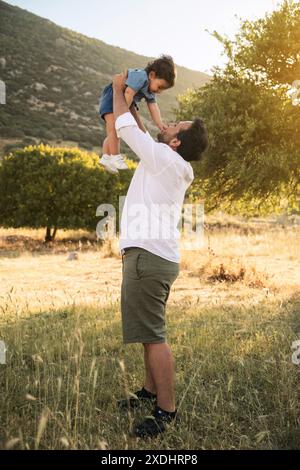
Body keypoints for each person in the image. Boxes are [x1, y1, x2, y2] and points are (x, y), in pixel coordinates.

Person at [112, 72, 208, 438]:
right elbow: (140, 128)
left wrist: (122, 88)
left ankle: (165, 410)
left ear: (176, 141)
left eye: (174, 125)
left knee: (154, 336)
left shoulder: (166, 160)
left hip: (149, 260)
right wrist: (136, 105)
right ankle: (148, 392)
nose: (166, 124)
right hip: (155, 258)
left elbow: (124, 127)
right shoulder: (169, 161)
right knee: (148, 331)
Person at [98, 55, 176, 174]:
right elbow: (128, 93)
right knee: (114, 128)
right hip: (112, 97)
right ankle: (115, 156)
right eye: (160, 87)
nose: (159, 91)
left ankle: (106, 157)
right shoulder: (141, 77)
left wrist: (159, 123)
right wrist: (123, 114)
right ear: (152, 75)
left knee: (113, 132)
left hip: (120, 101)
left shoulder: (150, 89)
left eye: (162, 90)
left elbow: (153, 107)